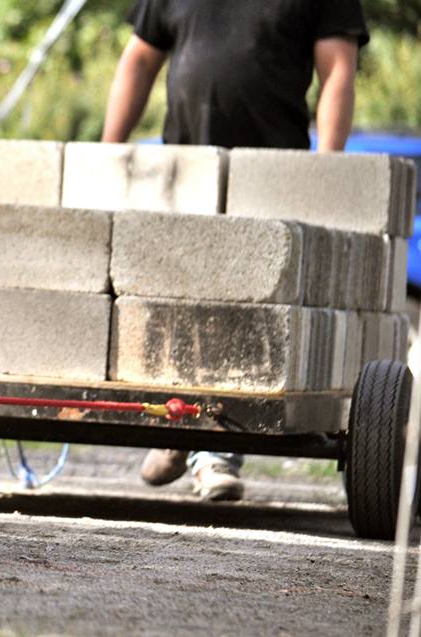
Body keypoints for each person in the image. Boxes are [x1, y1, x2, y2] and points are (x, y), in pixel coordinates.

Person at [102, 0, 370, 501]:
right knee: (175, 310)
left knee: (238, 317)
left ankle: (215, 452)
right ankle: (178, 424)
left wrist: (326, 170)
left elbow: (338, 71)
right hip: (184, 168)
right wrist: (106, 153)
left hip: (267, 175)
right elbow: (139, 60)